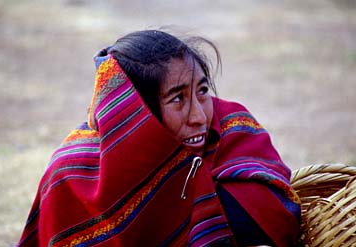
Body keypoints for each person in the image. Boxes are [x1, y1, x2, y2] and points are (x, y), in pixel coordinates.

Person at [17, 30, 301, 247]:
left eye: (202, 91)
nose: (200, 116)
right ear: (139, 113)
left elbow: (278, 215)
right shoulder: (71, 174)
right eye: (178, 98)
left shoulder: (229, 128)